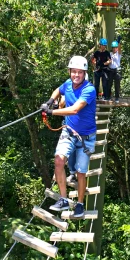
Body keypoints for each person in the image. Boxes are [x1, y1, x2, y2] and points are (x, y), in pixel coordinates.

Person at [40, 56, 97, 217]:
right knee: (58, 160)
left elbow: (74, 110)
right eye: (74, 72)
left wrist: (51, 111)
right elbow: (59, 90)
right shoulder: (68, 84)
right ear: (70, 72)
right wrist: (51, 100)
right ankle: (64, 200)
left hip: (86, 137)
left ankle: (79, 204)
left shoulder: (89, 89)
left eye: (80, 72)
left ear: (84, 73)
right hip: (69, 132)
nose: (76, 75)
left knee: (80, 172)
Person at [108, 36, 122, 103]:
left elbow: (119, 48)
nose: (114, 49)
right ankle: (109, 96)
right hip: (110, 70)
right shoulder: (110, 54)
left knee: (117, 85)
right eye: (113, 48)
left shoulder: (118, 54)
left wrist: (118, 42)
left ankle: (117, 97)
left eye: (115, 48)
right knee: (109, 84)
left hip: (117, 70)